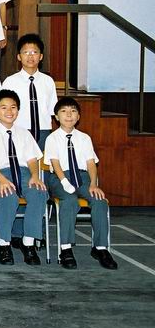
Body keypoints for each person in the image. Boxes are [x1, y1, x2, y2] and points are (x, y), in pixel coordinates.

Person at [45, 97, 117, 270]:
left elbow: (91, 163)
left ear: (78, 117)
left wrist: (93, 184)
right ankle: (66, 249)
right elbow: (55, 163)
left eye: (73, 111)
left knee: (99, 201)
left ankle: (100, 248)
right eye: (64, 111)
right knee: (69, 200)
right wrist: (64, 181)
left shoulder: (84, 138)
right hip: (60, 177)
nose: (69, 115)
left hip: (82, 177)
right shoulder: (52, 138)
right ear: (56, 117)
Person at [0, 89, 47, 266]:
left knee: (39, 192)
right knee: (8, 196)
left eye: (13, 107)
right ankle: (4, 244)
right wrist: (2, 180)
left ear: (18, 110)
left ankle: (28, 242)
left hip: (24, 173)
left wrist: (35, 176)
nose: (9, 111)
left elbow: (32, 160)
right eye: (3, 108)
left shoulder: (24, 133)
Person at [1, 33, 58, 149]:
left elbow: (53, 110)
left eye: (34, 52)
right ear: (19, 56)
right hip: (18, 130)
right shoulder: (10, 82)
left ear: (41, 56)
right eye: (26, 52)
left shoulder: (48, 81)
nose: (30, 56)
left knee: (42, 160)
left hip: (43, 131)